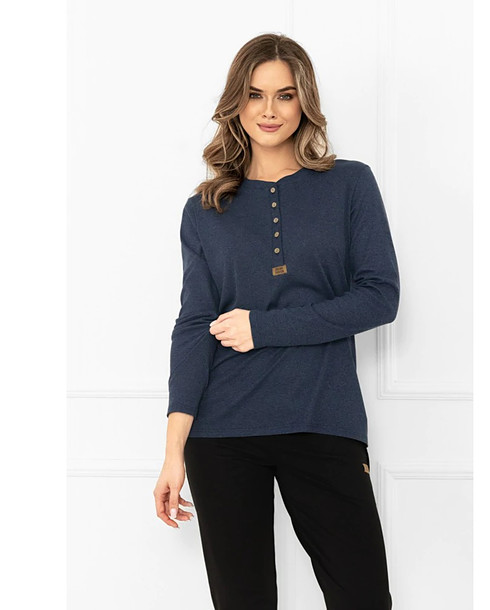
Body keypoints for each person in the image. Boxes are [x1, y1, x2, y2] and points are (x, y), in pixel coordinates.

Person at [153, 33, 399, 610]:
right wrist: (172, 451)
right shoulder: (206, 208)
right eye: (255, 95)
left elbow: (379, 297)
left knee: (363, 597)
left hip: (323, 419)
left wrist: (263, 328)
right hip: (222, 433)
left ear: (303, 101)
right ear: (236, 103)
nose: (269, 110)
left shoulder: (349, 184)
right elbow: (193, 327)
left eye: (285, 95)